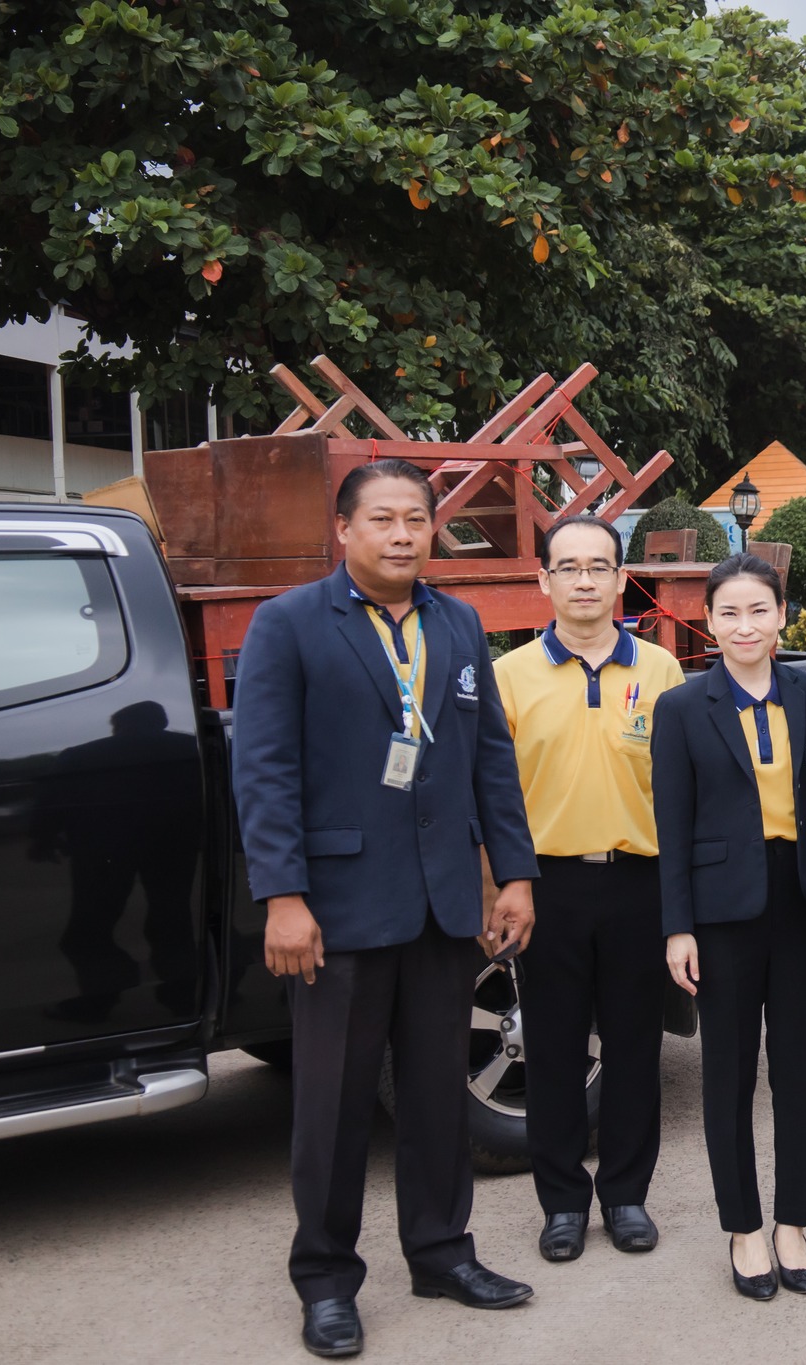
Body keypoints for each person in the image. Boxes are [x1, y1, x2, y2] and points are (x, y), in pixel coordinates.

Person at [234, 458, 540, 1359]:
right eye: (383, 519)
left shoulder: (458, 622)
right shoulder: (289, 624)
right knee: (329, 1106)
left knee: (439, 1093)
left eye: (417, 517)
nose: (403, 533)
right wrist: (283, 897)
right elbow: (266, 772)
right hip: (338, 907)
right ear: (344, 530)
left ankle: (443, 1251)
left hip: (446, 906)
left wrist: (512, 873)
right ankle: (326, 1279)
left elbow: (491, 756)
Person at [494, 513, 683, 1263]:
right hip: (548, 888)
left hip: (640, 881)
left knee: (637, 1047)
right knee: (554, 1048)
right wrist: (500, 886)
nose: (583, 580)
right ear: (543, 579)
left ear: (619, 577)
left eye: (598, 566)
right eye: (567, 566)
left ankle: (628, 1195)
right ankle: (563, 1202)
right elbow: (494, 793)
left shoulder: (662, 670)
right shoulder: (510, 675)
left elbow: (681, 787)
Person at [655, 554, 806, 1300]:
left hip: (802, 907)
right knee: (728, 1075)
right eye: (729, 612)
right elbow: (670, 823)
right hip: (721, 914)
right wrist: (677, 925)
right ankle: (743, 1227)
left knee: (798, 1070)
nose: (744, 626)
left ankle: (793, 1220)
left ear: (782, 614)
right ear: (708, 620)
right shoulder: (682, 706)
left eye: (759, 610)